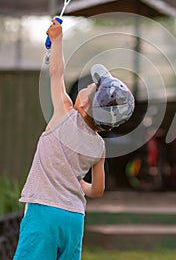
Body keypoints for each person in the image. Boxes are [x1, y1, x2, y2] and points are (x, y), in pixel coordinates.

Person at [14, 19, 135, 260]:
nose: (88, 85)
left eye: (90, 87)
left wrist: (57, 41)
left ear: (83, 104)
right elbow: (98, 190)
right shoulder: (99, 147)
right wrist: (78, 184)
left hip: (43, 212)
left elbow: (56, 73)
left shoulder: (64, 116)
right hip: (74, 218)